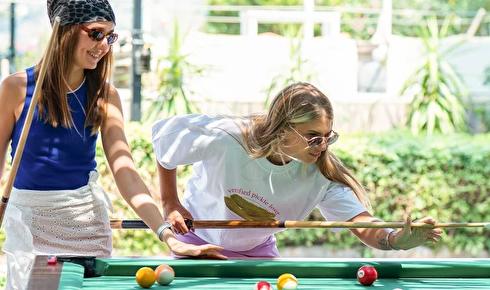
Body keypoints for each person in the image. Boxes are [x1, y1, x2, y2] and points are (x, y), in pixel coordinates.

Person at [0, 0, 223, 290]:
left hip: (85, 225)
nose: (103, 45)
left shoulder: (105, 95)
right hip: (29, 226)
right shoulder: (17, 88)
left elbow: (125, 170)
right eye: (95, 33)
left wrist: (166, 233)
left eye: (109, 36)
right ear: (64, 30)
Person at [151, 82, 443, 259]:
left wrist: (394, 240)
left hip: (257, 252)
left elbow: (361, 223)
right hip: (195, 242)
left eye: (328, 136)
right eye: (313, 137)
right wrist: (170, 203)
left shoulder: (321, 174)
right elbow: (166, 144)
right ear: (282, 130)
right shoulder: (227, 138)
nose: (322, 146)